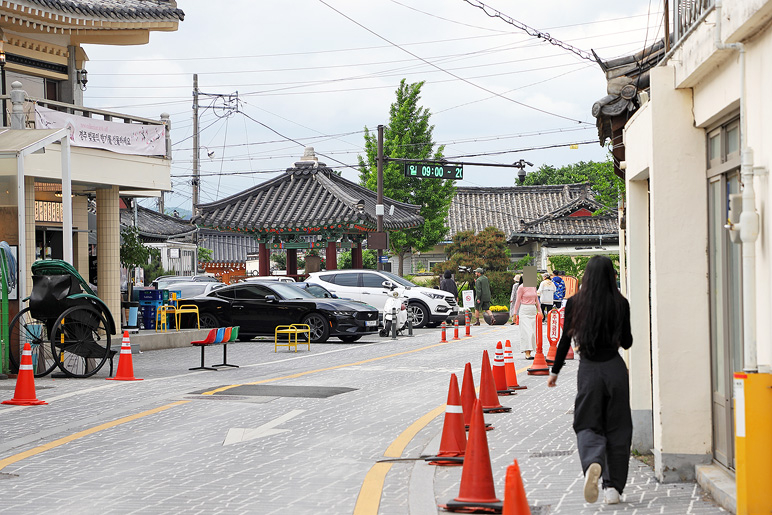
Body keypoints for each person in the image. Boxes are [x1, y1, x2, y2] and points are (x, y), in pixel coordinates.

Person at [547, 255, 633, 505]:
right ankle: (613, 489)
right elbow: (627, 342)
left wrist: (555, 372)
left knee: (587, 422)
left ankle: (593, 461)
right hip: (615, 370)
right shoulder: (621, 303)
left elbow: (565, 340)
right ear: (611, 276)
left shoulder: (574, 303)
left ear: (586, 276)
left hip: (588, 370)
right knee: (618, 427)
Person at [513, 278, 538, 359]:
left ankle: (530, 352)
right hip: (524, 310)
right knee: (527, 332)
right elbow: (517, 301)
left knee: (533, 332)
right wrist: (514, 314)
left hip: (533, 311)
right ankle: (526, 353)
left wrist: (540, 311)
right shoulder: (521, 287)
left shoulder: (534, 287)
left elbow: (537, 300)